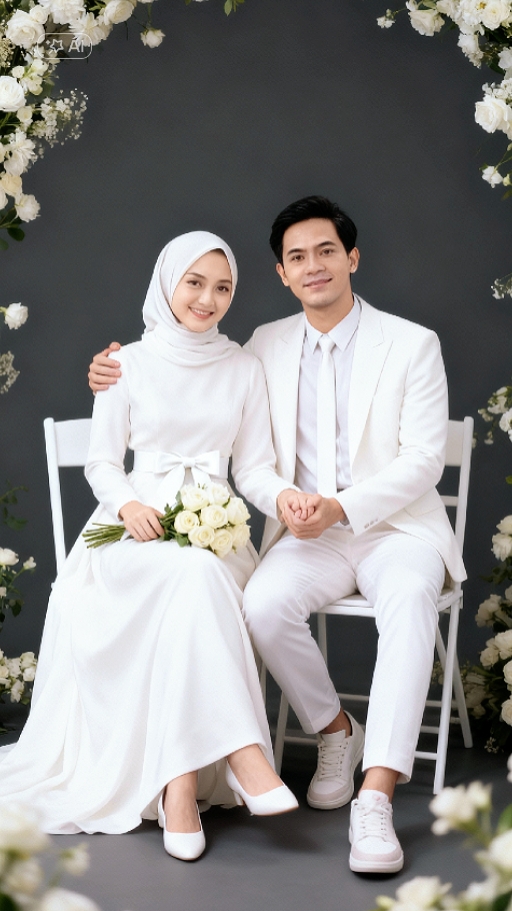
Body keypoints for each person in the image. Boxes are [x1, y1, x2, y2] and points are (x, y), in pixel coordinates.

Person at [89, 197, 466, 874]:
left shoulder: (413, 343)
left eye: (326, 251)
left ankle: (376, 797)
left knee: (410, 600)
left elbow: (423, 461)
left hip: (396, 528)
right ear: (282, 274)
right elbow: (254, 462)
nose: (313, 265)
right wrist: (285, 500)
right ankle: (334, 730)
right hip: (309, 533)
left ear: (352, 258)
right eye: (297, 257)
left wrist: (341, 506)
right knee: (261, 604)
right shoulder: (263, 344)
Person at [0, 231, 304, 860]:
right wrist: (129, 506)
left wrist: (280, 500)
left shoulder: (243, 368)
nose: (207, 299)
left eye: (222, 288)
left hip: (214, 530)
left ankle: (178, 788)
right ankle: (245, 758)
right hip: (128, 533)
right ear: (168, 283)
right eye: (194, 283)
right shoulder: (126, 363)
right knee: (192, 579)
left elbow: (251, 468)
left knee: (197, 577)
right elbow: (102, 462)